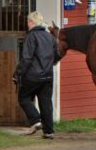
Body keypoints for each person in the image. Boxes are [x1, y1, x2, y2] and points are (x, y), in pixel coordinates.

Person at [13, 11, 61, 139]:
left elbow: (27, 58)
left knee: (24, 98)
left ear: (32, 22)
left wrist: (17, 73)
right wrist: (50, 63)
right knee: (46, 103)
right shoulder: (50, 37)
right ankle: (49, 131)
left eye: (28, 21)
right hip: (48, 76)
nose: (27, 24)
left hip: (33, 76)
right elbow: (57, 56)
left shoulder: (31, 37)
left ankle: (35, 121)